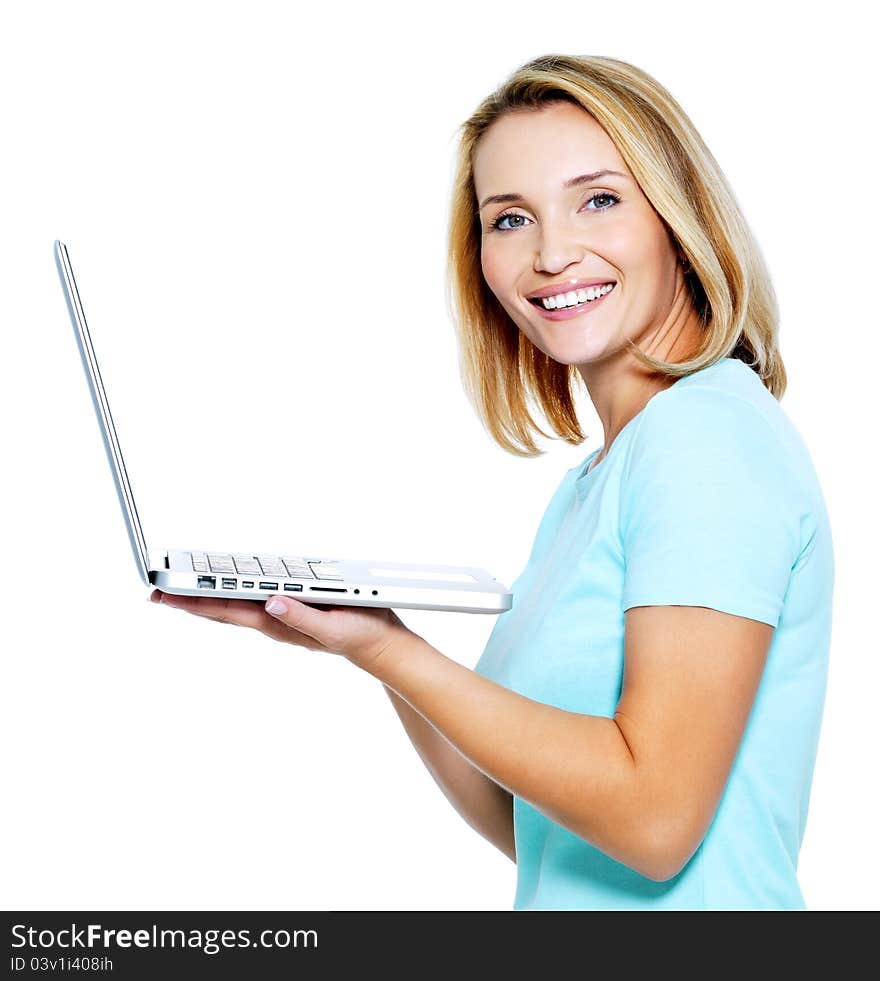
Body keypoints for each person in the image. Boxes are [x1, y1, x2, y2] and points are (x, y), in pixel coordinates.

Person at [151, 54, 834, 910]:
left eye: (599, 199)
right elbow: (538, 826)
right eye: (510, 219)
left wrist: (392, 651)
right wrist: (374, 640)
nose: (551, 253)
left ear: (678, 215)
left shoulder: (708, 438)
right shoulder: (599, 480)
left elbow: (654, 821)